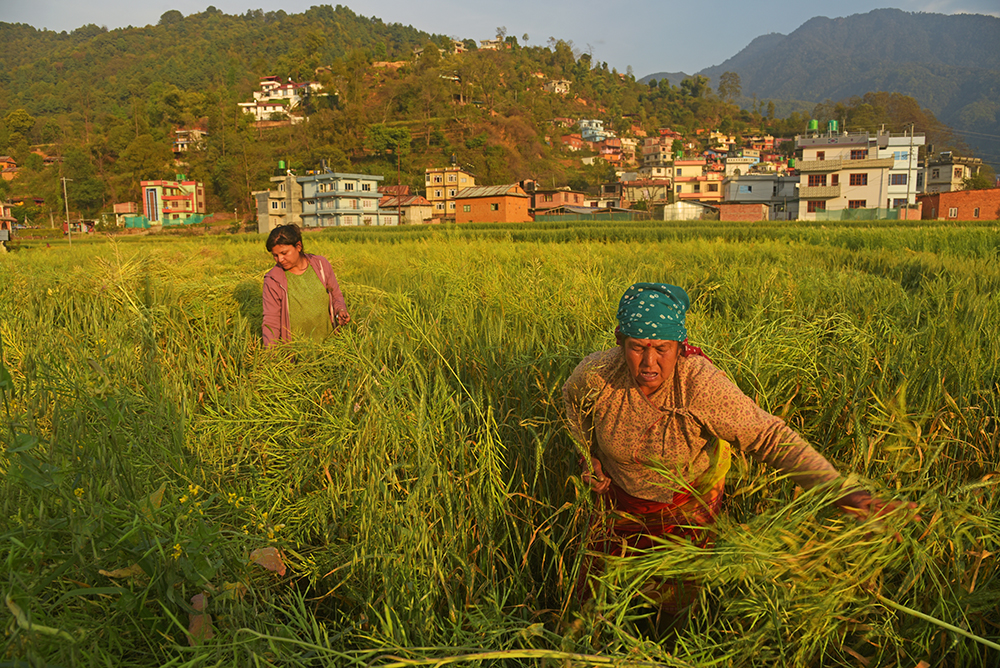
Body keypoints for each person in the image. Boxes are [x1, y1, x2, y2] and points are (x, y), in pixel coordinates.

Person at [562, 282, 901, 612]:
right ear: (620, 343)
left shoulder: (699, 385)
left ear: (680, 346)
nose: (649, 362)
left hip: (684, 508)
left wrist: (842, 493)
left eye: (661, 348)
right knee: (596, 594)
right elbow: (573, 405)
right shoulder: (597, 375)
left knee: (675, 595)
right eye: (637, 347)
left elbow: (769, 437)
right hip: (618, 503)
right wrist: (588, 454)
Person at [262, 224, 350, 346]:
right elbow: (271, 321)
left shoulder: (321, 265)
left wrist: (340, 310)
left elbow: (336, 294)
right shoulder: (273, 280)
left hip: (329, 345)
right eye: (275, 255)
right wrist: (271, 355)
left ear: (298, 246)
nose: (280, 259)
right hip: (296, 351)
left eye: (284, 253)